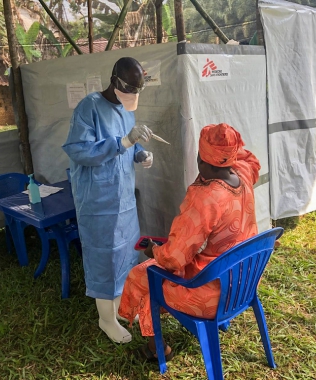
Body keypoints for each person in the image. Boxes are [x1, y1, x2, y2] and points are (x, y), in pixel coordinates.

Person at [118, 123, 261, 361]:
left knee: (142, 275)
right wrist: (228, 149)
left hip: (214, 292)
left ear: (202, 161)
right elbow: (249, 158)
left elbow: (175, 258)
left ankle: (157, 350)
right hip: (243, 279)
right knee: (156, 270)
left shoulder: (205, 199)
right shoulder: (243, 172)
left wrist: (154, 250)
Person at [62, 57, 154, 344]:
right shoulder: (89, 106)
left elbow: (129, 140)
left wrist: (139, 153)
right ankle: (107, 319)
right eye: (130, 88)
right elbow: (79, 150)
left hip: (123, 198)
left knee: (126, 252)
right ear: (115, 80)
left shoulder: (126, 108)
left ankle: (123, 308)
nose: (133, 97)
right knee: (105, 257)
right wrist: (123, 144)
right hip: (98, 200)